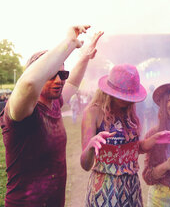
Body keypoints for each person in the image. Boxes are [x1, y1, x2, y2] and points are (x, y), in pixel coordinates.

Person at [0, 26, 100, 206]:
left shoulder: (55, 104)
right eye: (50, 75)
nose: (59, 80)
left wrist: (84, 57)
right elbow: (29, 83)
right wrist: (68, 43)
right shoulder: (20, 112)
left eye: (61, 74)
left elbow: (74, 82)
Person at [80, 64, 170, 207]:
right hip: (105, 190)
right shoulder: (93, 112)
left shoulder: (129, 111)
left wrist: (154, 139)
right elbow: (85, 164)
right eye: (123, 95)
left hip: (130, 188)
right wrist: (90, 146)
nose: (127, 99)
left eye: (129, 95)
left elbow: (134, 148)